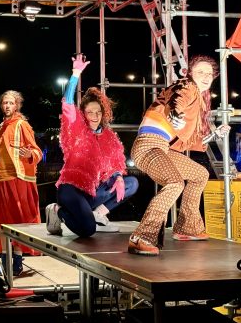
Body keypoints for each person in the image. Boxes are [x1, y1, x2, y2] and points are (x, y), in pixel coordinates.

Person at [127, 55, 229, 256]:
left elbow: (186, 141)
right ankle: (142, 237)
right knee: (175, 183)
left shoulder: (198, 100)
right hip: (148, 145)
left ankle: (186, 227)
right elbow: (177, 98)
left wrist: (213, 135)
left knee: (200, 174)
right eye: (201, 72)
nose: (206, 77)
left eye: (209, 74)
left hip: (163, 148)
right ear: (190, 73)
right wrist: (175, 113)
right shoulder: (186, 86)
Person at [46, 53, 139, 238]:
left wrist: (118, 176)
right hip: (72, 188)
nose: (95, 116)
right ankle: (58, 211)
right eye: (90, 112)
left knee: (131, 183)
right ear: (83, 114)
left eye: (98, 112)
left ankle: (98, 214)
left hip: (95, 191)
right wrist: (75, 74)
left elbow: (115, 163)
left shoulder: (109, 137)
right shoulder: (76, 129)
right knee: (87, 230)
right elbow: (68, 104)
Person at [0, 89, 43, 276]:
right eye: (5, 103)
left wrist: (30, 155)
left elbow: (37, 151)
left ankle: (16, 261)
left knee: (18, 220)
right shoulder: (2, 125)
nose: (7, 106)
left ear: (17, 105)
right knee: (2, 221)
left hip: (18, 179)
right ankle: (6, 261)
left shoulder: (21, 124)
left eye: (11, 103)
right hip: (2, 180)